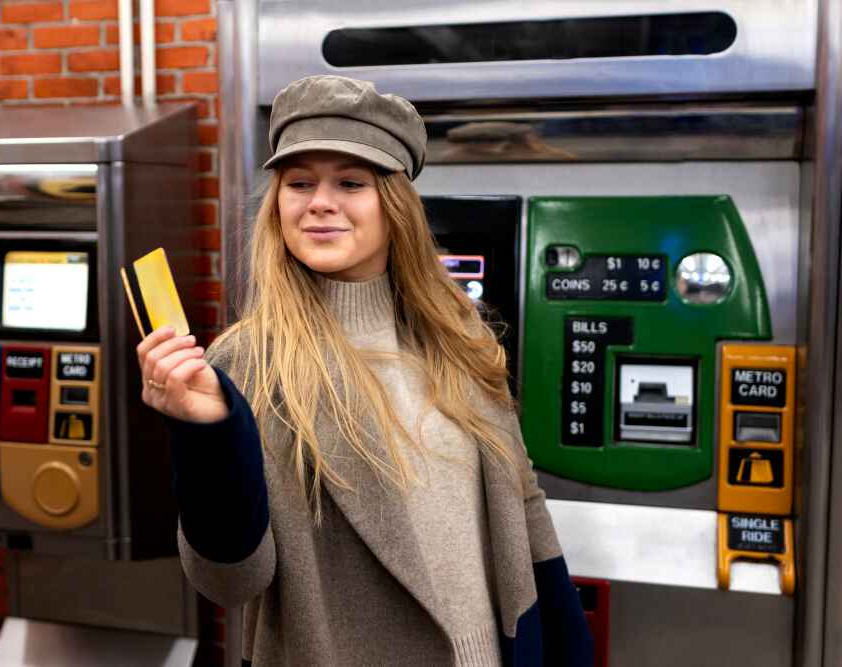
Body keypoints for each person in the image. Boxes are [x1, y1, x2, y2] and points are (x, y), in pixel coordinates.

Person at [137, 75, 593, 667]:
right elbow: (232, 583)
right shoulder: (244, 361)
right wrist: (206, 437)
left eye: (350, 182)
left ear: (395, 205)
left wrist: (566, 646)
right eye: (299, 183)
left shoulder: (459, 331)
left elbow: (522, 503)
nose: (320, 202)